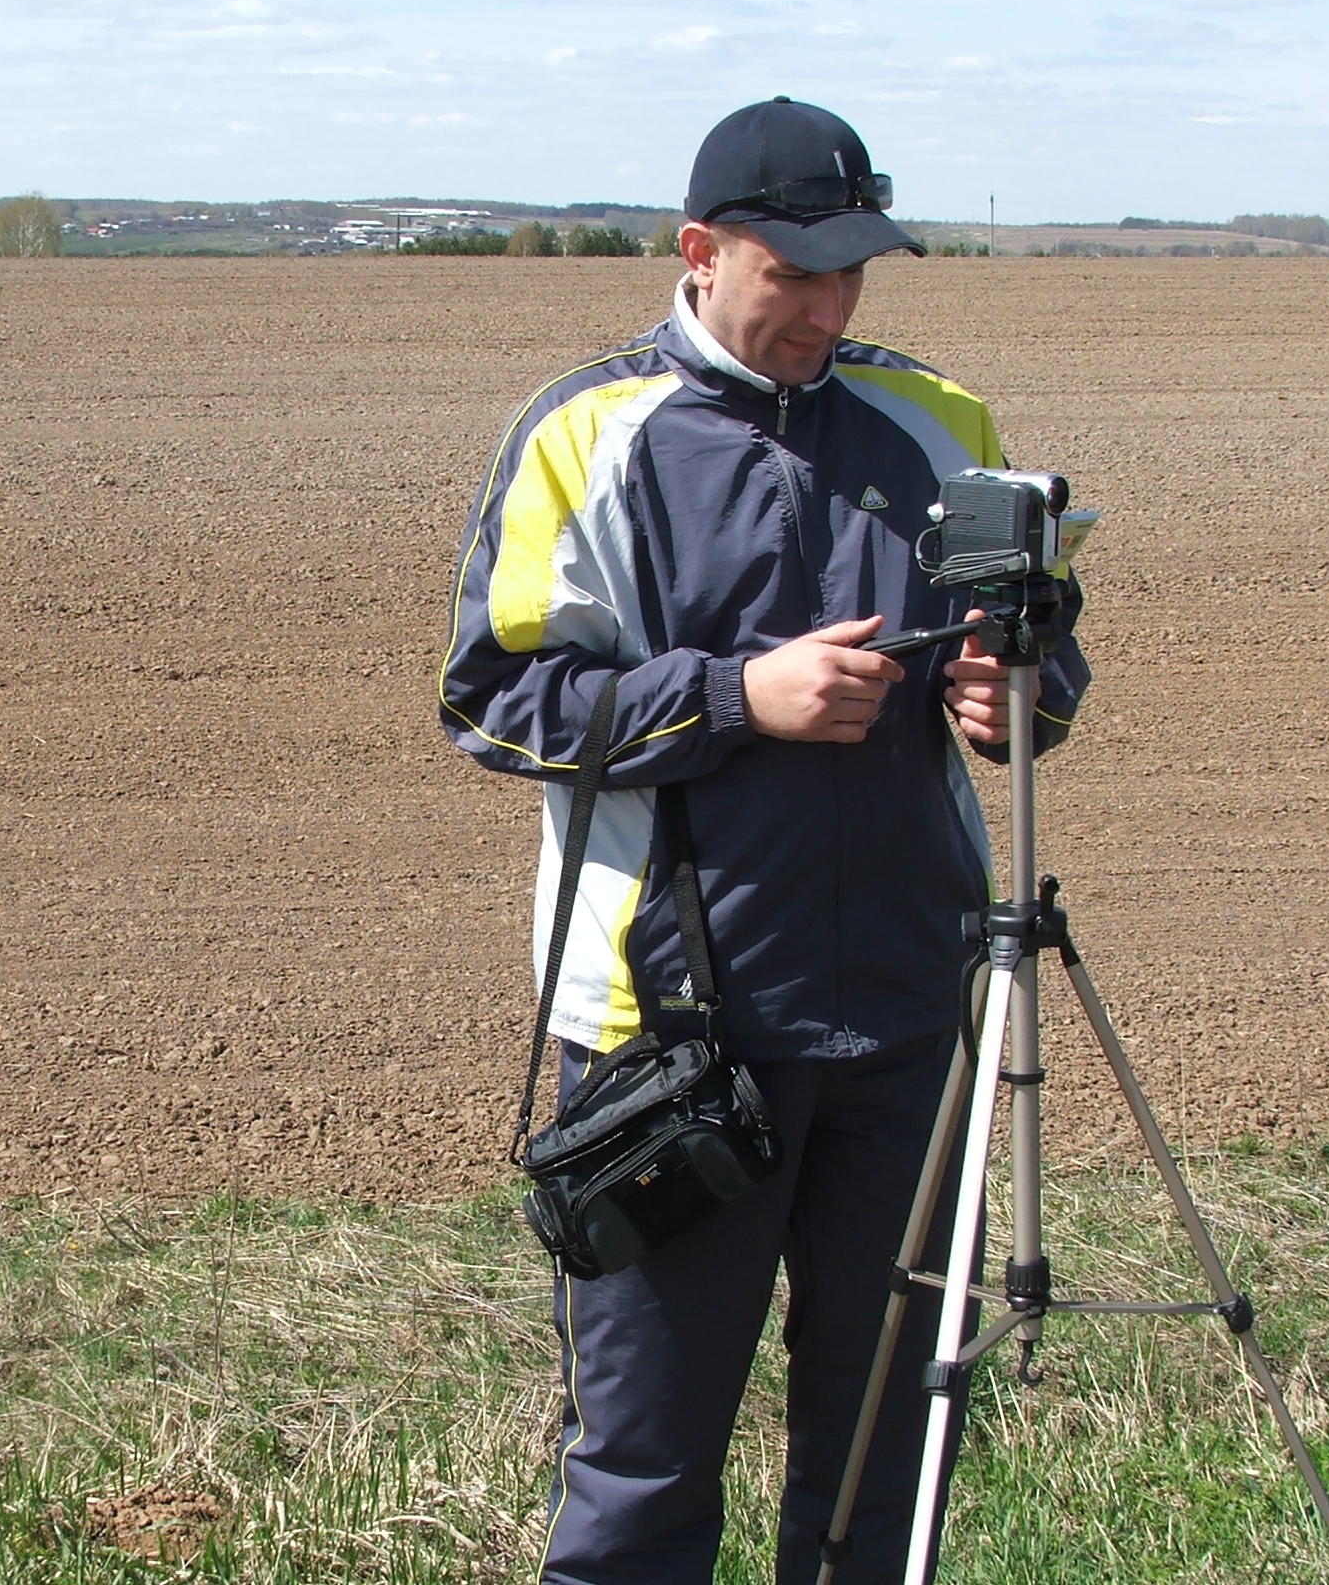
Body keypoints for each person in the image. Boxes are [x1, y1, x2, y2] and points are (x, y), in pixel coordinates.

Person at [438, 97, 1091, 1585]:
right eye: (795, 274)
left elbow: (1038, 659)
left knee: (884, 1454)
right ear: (699, 252)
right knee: (644, 1467)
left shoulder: (944, 423)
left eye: (852, 271)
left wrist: (1015, 696)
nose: (829, 308)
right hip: (678, 1034)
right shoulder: (586, 436)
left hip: (912, 1018)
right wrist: (742, 696)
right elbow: (494, 699)